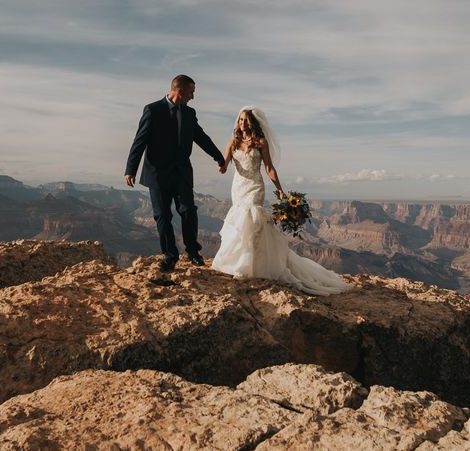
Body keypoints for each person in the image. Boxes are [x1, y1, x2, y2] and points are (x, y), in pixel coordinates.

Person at [211, 107, 350, 295]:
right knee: (239, 220)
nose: (242, 123)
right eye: (240, 120)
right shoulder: (233, 142)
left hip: (255, 187)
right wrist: (221, 166)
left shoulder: (261, 142)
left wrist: (281, 191)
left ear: (252, 122)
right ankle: (241, 263)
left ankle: (252, 265)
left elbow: (269, 167)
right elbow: (225, 164)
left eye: (246, 120)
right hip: (238, 187)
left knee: (252, 217)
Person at [125, 75, 226, 271]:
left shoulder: (189, 113)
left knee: (188, 211)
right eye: (191, 92)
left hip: (181, 172)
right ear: (179, 90)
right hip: (157, 173)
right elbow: (140, 141)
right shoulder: (153, 110)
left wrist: (218, 156)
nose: (193, 97)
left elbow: (200, 137)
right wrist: (131, 169)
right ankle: (170, 255)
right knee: (162, 216)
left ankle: (192, 251)